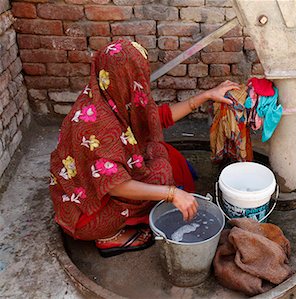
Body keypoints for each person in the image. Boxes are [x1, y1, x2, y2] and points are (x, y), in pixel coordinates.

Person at [49, 40, 239, 257]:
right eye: (137, 78)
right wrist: (171, 194)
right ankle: (110, 237)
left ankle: (149, 206)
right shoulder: (95, 124)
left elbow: (152, 120)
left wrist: (206, 96)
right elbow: (114, 185)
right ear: (123, 78)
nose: (141, 84)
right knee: (162, 176)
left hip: (95, 181)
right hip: (86, 211)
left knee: (165, 157)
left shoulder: (106, 95)